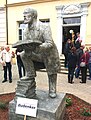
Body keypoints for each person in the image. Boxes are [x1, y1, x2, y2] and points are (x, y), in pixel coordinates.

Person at [15, 7, 60, 98]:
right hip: (37, 54)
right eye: (23, 14)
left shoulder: (44, 27)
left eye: (26, 14)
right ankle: (30, 74)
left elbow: (49, 43)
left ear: (33, 15)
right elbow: (26, 42)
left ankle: (52, 89)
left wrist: (37, 48)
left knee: (51, 72)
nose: (24, 16)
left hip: (49, 54)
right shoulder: (25, 30)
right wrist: (24, 47)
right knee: (23, 54)